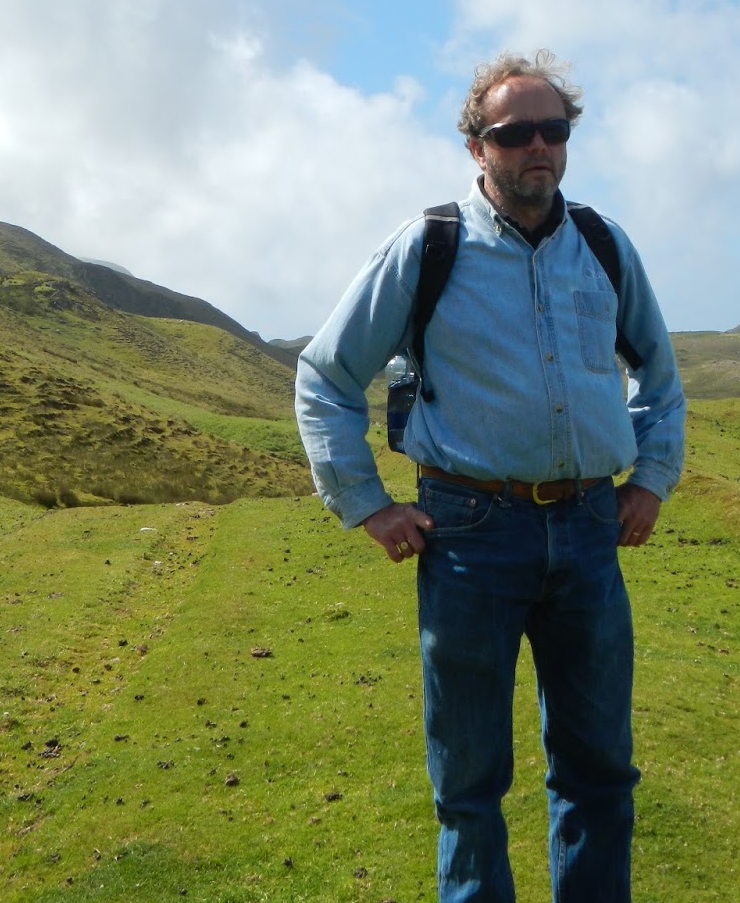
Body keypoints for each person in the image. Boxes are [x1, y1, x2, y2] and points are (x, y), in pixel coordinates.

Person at [295, 50, 685, 902]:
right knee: (469, 781)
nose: (537, 145)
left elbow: (659, 377)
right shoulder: (428, 247)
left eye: (554, 129)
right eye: (514, 133)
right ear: (477, 146)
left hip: (589, 530)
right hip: (469, 534)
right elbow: (325, 376)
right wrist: (367, 505)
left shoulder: (603, 245)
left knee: (600, 771)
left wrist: (651, 476)